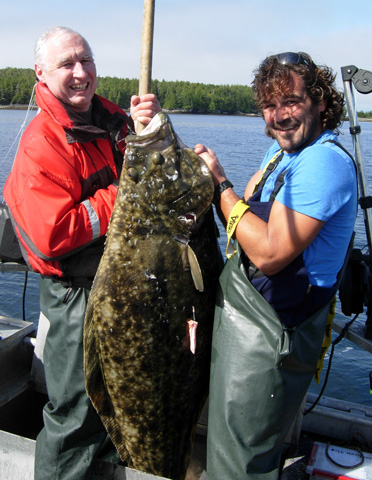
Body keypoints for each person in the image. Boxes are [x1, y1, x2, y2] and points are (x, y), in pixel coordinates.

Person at [3, 26, 161, 479]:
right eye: (66, 64)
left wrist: (149, 127)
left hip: (119, 286)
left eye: (85, 60)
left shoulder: (112, 120)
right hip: (75, 299)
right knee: (76, 416)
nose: (79, 72)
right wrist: (122, 193)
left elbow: (155, 166)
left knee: (114, 410)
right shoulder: (42, 143)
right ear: (41, 73)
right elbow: (53, 234)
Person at [194, 52, 358, 479]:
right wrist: (220, 188)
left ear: (320, 102)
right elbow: (245, 213)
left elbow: (268, 254)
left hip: (275, 331)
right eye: (269, 104)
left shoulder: (323, 163)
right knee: (227, 441)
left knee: (242, 459)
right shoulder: (281, 151)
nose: (279, 116)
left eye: (291, 101)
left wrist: (220, 185)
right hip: (245, 315)